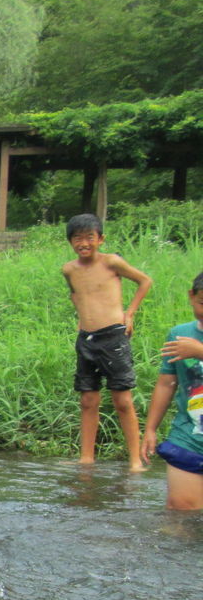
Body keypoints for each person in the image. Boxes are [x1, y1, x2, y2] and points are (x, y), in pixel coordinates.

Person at [61, 213, 152, 471]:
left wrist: (130, 313)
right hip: (86, 339)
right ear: (70, 242)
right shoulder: (69, 269)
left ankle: (135, 460)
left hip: (113, 336)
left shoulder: (112, 262)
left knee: (122, 400)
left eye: (89, 237)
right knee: (88, 400)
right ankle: (86, 458)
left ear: (100, 239)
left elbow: (145, 281)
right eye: (77, 238)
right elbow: (75, 294)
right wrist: (81, 318)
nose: (83, 243)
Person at [140, 270, 203, 510]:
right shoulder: (180, 335)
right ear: (191, 296)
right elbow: (167, 383)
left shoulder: (192, 345)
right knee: (181, 514)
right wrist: (150, 429)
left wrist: (200, 352)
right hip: (189, 437)